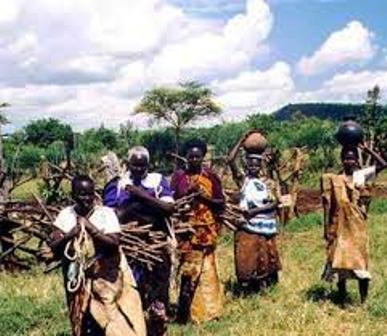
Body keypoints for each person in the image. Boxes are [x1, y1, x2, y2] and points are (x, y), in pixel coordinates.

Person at [48, 175, 146, 336]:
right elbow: (53, 245)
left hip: (107, 277)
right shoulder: (66, 215)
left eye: (90, 194)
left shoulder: (105, 214)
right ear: (72, 195)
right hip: (78, 279)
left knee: (112, 316)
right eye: (82, 194)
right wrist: (71, 234)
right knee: (82, 317)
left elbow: (114, 243)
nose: (87, 199)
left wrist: (90, 228)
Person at [103, 146, 175, 336]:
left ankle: (157, 328)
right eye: (135, 166)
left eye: (143, 166)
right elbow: (113, 216)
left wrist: (138, 195)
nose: (139, 170)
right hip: (128, 246)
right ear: (128, 164)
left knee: (158, 291)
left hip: (156, 244)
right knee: (132, 289)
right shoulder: (117, 185)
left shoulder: (157, 181)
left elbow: (168, 208)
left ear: (148, 165)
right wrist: (141, 206)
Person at [321, 145, 387, 304]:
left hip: (357, 227)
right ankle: (342, 298)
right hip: (340, 226)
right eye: (345, 158)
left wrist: (368, 150)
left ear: (357, 160)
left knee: (360, 263)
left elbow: (384, 165)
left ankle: (363, 301)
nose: (348, 161)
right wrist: (327, 229)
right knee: (340, 262)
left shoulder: (361, 176)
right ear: (341, 160)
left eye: (351, 158)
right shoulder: (335, 179)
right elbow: (327, 205)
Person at [171, 138, 224, 324]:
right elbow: (172, 202)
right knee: (188, 273)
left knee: (208, 272)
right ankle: (185, 315)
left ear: (203, 157)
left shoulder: (211, 177)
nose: (193, 159)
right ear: (185, 157)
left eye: (197, 156)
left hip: (206, 231)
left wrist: (203, 197)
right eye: (190, 156)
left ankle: (210, 313)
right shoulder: (178, 177)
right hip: (186, 231)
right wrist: (187, 195)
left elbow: (220, 203)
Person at [227, 132, 282, 293]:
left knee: (264, 256)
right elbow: (230, 160)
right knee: (246, 256)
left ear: (261, 165)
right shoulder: (243, 180)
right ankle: (246, 287)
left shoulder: (268, 183)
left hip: (265, 225)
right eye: (249, 164)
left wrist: (255, 211)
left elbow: (275, 203)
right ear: (246, 165)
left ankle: (263, 285)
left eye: (256, 164)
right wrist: (241, 140)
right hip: (247, 225)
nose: (253, 166)